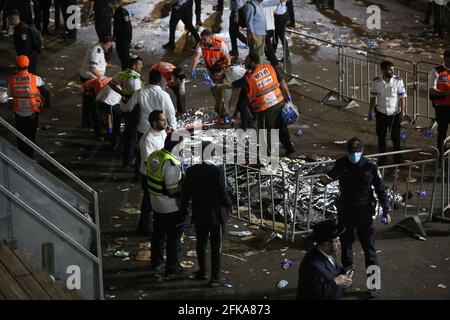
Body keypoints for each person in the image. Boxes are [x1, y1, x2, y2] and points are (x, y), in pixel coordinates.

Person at [320, 137, 392, 299]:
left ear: (362, 151)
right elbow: (329, 177)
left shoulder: (370, 167)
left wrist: (386, 210)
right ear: (348, 152)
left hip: (364, 212)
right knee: (346, 248)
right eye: (352, 153)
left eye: (357, 153)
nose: (354, 155)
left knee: (370, 250)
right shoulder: (342, 164)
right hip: (345, 211)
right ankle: (346, 282)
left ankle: (373, 285)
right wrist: (324, 180)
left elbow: (380, 189)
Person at [216, 53, 295, 156]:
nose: (244, 62)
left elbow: (231, 85)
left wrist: (217, 86)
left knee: (264, 133)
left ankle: (266, 155)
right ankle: (289, 148)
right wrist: (288, 98)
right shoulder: (270, 68)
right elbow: (283, 83)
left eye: (247, 60)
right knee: (281, 128)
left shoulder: (249, 78)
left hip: (265, 110)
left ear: (252, 61)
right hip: (278, 104)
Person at [181, 141, 232, 287]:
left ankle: (202, 271)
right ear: (213, 153)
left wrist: (184, 211)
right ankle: (215, 277)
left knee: (201, 244)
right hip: (217, 215)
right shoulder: (217, 171)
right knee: (217, 247)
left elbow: (186, 194)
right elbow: (223, 193)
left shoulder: (191, 171)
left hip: (199, 214)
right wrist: (229, 204)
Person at [123, 69, 177, 179]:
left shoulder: (140, 92)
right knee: (160, 152)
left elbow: (128, 107)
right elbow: (171, 113)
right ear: (160, 80)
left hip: (143, 128)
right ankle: (156, 175)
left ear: (149, 78)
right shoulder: (164, 95)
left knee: (142, 153)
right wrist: (173, 129)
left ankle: (139, 175)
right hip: (160, 130)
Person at [148, 133, 185, 279]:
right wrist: (184, 185)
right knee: (173, 238)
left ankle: (156, 261)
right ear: (176, 146)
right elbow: (171, 191)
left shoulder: (155, 155)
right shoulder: (171, 164)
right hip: (170, 207)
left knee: (158, 234)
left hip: (155, 203)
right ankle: (172, 268)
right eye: (182, 145)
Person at [297, 220, 352, 300]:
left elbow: (333, 268)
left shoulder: (327, 252)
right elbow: (314, 295)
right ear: (327, 243)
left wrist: (345, 273)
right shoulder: (311, 266)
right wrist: (335, 282)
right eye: (336, 241)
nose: (339, 243)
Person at [8, 55, 49, 158]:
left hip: (19, 113)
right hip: (32, 113)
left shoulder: (12, 79)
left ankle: (22, 156)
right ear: (28, 65)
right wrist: (46, 105)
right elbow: (46, 92)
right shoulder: (34, 78)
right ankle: (30, 156)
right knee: (31, 136)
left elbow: (9, 95)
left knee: (20, 135)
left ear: (16, 66)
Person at [368, 60, 407, 166]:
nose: (392, 71)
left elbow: (402, 98)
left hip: (394, 114)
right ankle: (382, 159)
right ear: (383, 70)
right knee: (381, 138)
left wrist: (402, 113)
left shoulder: (398, 81)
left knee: (396, 138)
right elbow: (372, 97)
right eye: (390, 70)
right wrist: (370, 111)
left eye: (393, 69)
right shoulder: (376, 82)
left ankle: (397, 160)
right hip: (381, 114)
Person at [108, 55, 144, 170]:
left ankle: (120, 151)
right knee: (132, 137)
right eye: (140, 64)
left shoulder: (123, 73)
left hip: (123, 106)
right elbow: (137, 96)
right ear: (134, 65)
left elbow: (111, 84)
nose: (141, 66)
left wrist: (122, 93)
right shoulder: (134, 79)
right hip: (131, 110)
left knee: (128, 132)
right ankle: (127, 161)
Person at [137, 110, 168, 236]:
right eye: (162, 120)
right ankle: (144, 227)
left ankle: (151, 226)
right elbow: (147, 162)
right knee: (149, 203)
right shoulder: (147, 139)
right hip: (149, 176)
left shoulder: (161, 133)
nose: (165, 122)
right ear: (154, 123)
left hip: (160, 174)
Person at [246, 0, 282, 65]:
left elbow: (269, 3)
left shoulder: (259, 4)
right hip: (256, 35)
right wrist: (253, 35)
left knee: (261, 54)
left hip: (262, 33)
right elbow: (249, 22)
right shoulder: (251, 5)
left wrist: (279, 1)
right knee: (256, 54)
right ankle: (255, 70)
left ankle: (259, 68)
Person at [430, 49, 450, 155]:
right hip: (442, 108)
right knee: (442, 132)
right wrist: (446, 93)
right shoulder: (436, 71)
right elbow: (432, 90)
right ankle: (441, 157)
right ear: (445, 58)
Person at [8, 9, 40, 74]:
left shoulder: (23, 30)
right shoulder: (18, 27)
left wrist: (22, 62)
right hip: (27, 58)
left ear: (13, 18)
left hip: (28, 59)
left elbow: (25, 47)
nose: (9, 21)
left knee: (29, 76)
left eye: (9, 19)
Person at [81, 76, 112, 140]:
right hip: (89, 92)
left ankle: (109, 132)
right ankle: (98, 134)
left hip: (98, 91)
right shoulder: (101, 86)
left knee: (107, 113)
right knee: (96, 114)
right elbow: (97, 97)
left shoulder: (114, 84)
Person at [113, 0, 133, 70]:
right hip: (118, 37)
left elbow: (128, 27)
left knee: (125, 57)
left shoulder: (123, 12)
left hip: (124, 38)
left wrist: (129, 40)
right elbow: (115, 26)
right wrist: (114, 36)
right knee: (120, 55)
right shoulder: (116, 12)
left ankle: (126, 70)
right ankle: (124, 69)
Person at [262, 0, 279, 66]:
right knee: (267, 45)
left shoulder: (259, 3)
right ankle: (272, 59)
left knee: (267, 46)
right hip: (272, 27)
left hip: (264, 28)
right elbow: (275, 12)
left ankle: (274, 63)